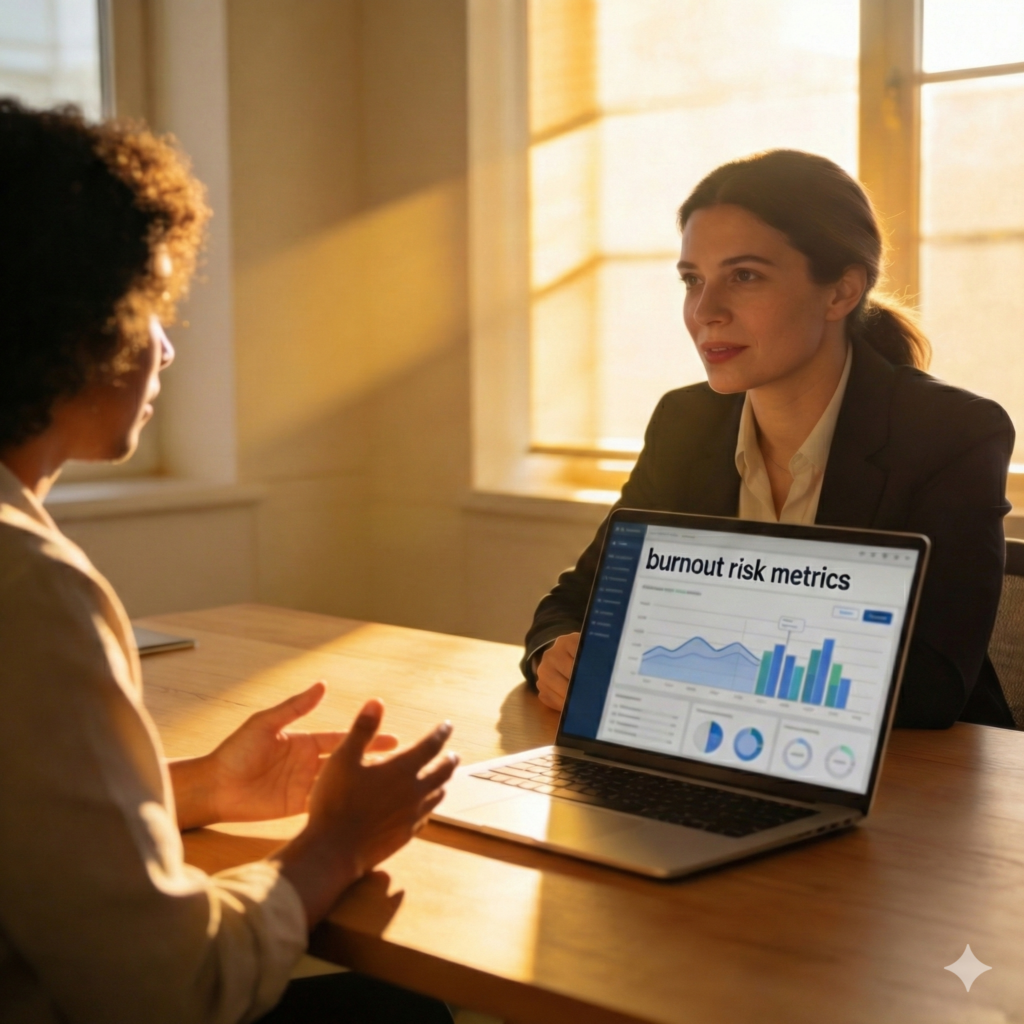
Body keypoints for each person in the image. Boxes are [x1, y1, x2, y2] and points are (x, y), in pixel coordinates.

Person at [0, 100, 457, 1024]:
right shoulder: (28, 588)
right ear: (64, 324)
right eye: (148, 306)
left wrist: (203, 787)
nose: (166, 345)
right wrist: (334, 844)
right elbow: (166, 991)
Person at [525, 149, 1015, 731]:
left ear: (839, 293)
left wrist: (677, 659)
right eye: (692, 280)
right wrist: (553, 654)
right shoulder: (686, 420)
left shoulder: (951, 434)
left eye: (745, 276)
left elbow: (930, 687)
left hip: (921, 779)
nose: (705, 311)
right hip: (712, 747)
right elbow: (573, 604)